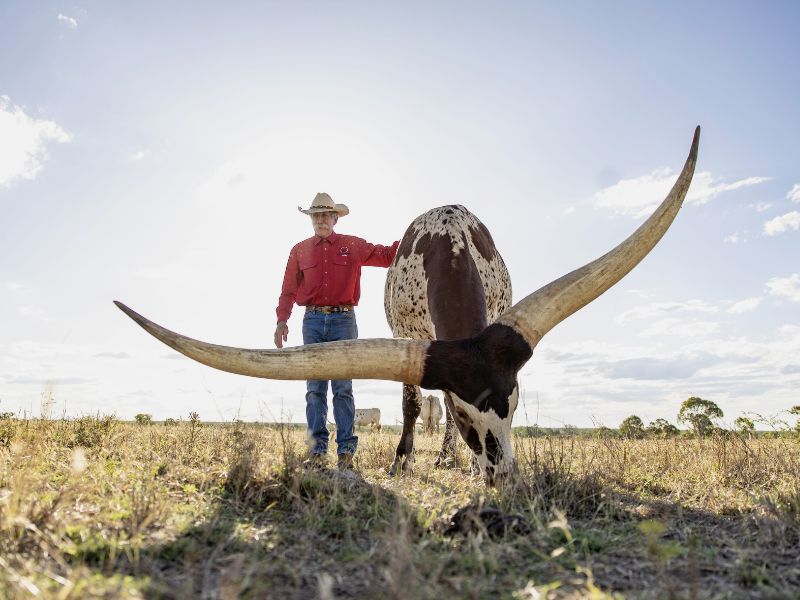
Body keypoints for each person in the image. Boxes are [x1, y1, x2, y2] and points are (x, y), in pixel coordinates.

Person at [274, 193, 399, 470]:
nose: (320, 220)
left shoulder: (352, 245)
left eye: (325, 215)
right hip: (313, 322)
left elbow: (387, 255)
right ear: (311, 219)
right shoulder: (299, 250)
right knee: (314, 389)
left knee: (343, 388)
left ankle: (346, 453)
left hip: (344, 321)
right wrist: (282, 320)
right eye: (315, 215)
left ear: (335, 218)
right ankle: (317, 451)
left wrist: (415, 236)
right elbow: (288, 290)